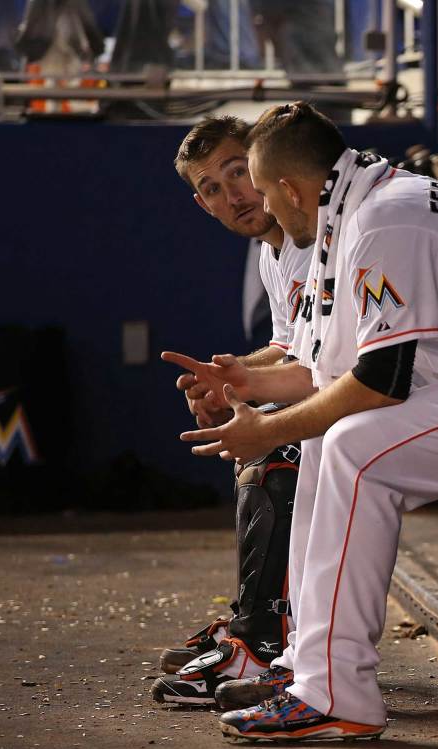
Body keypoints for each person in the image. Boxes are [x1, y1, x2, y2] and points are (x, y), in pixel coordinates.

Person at [165, 102, 438, 741]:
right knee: (326, 442)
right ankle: (307, 669)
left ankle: (338, 695)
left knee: (351, 447)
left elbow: (378, 384)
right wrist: (245, 385)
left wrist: (267, 430)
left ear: (289, 187)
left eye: (258, 187)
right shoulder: (351, 209)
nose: (256, 202)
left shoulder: (385, 219)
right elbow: (330, 369)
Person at [149, 115, 311, 707]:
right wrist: (233, 380)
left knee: (277, 453)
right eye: (213, 188)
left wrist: (255, 394)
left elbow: (338, 362)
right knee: (257, 440)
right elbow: (295, 345)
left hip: (419, 392)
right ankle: (262, 627)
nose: (234, 195)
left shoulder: (314, 234)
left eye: (238, 172)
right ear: (202, 205)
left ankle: (261, 641)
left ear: (266, 165)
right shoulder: (275, 252)